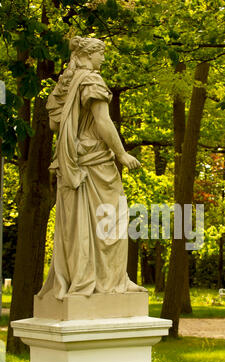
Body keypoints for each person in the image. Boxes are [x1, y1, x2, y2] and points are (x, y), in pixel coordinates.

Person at [38, 36, 146, 300]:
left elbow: (54, 123)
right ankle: (111, 281)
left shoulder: (68, 82)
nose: (104, 59)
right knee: (113, 220)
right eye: (102, 54)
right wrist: (121, 154)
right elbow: (102, 121)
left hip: (74, 159)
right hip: (95, 160)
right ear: (89, 54)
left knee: (80, 223)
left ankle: (94, 277)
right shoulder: (92, 81)